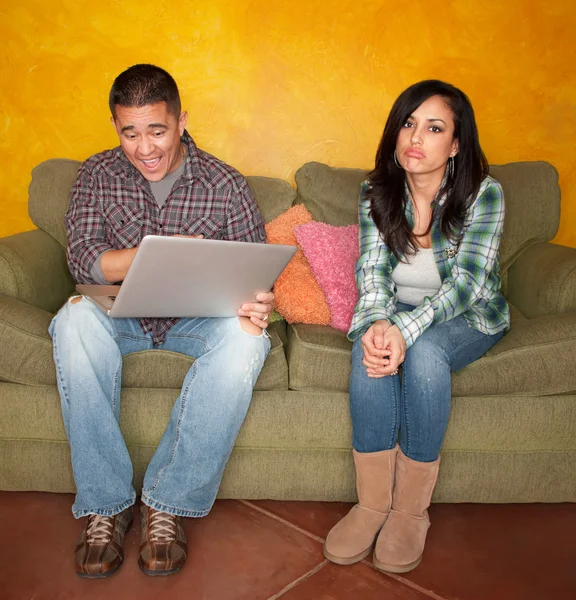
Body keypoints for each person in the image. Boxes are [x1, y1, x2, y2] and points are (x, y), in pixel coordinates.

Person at [49, 64, 274, 578]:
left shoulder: (226, 183)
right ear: (116, 127)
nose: (145, 147)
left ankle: (166, 504)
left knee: (249, 341)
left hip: (198, 319)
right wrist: (157, 255)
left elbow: (257, 269)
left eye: (157, 130)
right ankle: (106, 506)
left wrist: (258, 303)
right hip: (117, 314)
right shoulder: (97, 174)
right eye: (130, 132)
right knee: (72, 321)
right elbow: (83, 259)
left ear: (181, 120)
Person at [323, 80, 510, 573]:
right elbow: (371, 271)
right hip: (401, 305)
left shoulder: (484, 193)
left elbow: (469, 283)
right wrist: (378, 325)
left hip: (471, 315)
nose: (416, 137)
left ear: (455, 145)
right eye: (409, 123)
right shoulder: (375, 190)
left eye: (434, 128)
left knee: (424, 352)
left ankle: (409, 512)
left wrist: (406, 331)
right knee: (371, 354)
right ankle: (371, 506)